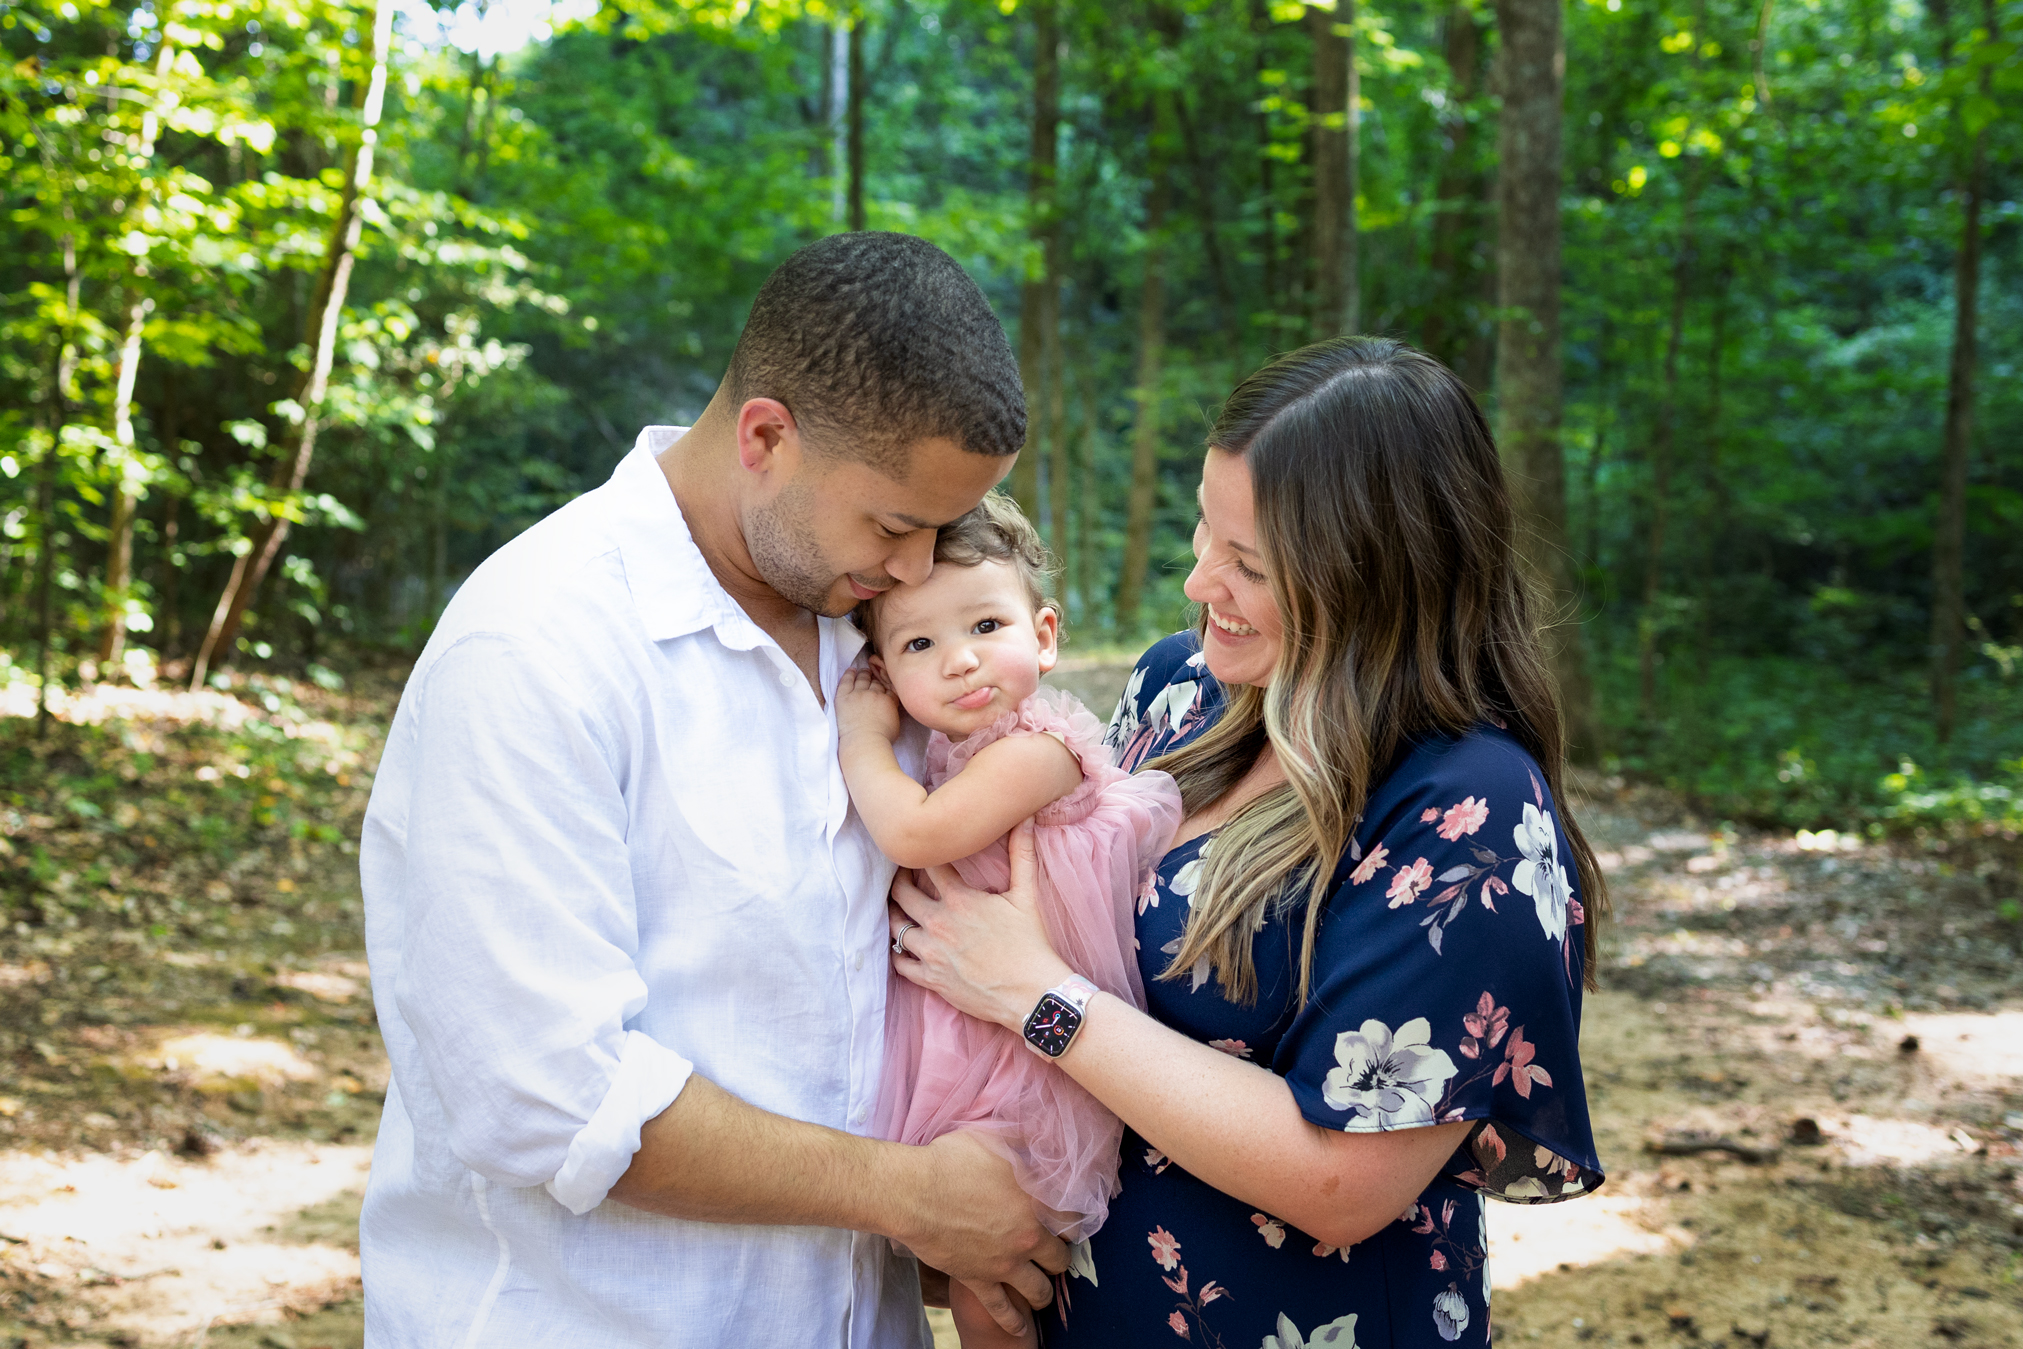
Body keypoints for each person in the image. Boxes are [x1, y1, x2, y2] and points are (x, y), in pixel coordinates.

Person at [357, 232, 1069, 1348]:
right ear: (766, 437)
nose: (922, 568)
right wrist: (909, 1193)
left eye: (941, 530)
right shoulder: (536, 648)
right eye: (895, 525)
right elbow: (551, 1099)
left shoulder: (876, 633)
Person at [885, 337, 1609, 1347]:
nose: (1196, 581)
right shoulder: (1179, 690)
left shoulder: (1471, 811)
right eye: (1203, 529)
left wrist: (1035, 996)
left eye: (1249, 564)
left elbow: (1343, 1178)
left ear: (1375, 581)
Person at [836, 495, 1184, 1349]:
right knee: (968, 1265)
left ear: (1046, 634)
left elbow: (916, 832)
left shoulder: (1041, 746)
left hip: (1027, 1058)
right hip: (965, 1027)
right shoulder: (943, 755)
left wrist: (859, 740)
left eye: (986, 624)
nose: (959, 661)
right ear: (884, 662)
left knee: (986, 1272)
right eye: (918, 644)